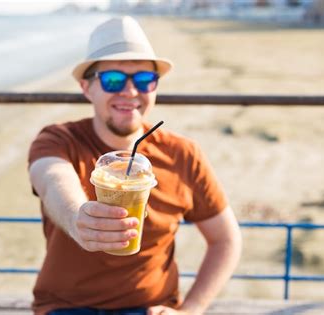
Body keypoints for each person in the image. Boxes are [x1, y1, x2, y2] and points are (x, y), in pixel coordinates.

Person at [28, 16, 242, 315]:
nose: (130, 92)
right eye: (113, 80)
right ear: (86, 87)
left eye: (143, 80)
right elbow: (51, 179)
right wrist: (78, 217)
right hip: (67, 307)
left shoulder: (183, 154)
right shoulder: (59, 139)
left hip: (150, 307)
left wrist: (191, 310)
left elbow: (226, 240)